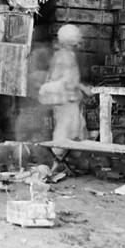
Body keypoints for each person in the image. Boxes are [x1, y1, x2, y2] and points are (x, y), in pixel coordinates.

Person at [39, 24, 92, 164]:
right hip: (66, 99)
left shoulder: (59, 54)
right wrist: (85, 89)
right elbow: (70, 80)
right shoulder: (67, 57)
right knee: (67, 130)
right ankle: (59, 160)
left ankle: (64, 160)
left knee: (70, 127)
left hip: (63, 99)